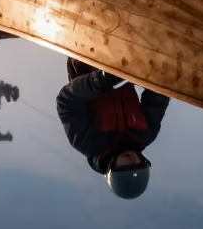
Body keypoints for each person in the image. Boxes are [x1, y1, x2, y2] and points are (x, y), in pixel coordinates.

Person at [56, 59, 170, 199]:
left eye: (126, 167)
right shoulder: (145, 134)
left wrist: (100, 81)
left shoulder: (88, 142)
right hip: (127, 62)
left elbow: (66, 101)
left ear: (112, 168)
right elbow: (157, 99)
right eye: (139, 165)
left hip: (88, 61)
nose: (133, 161)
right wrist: (163, 76)